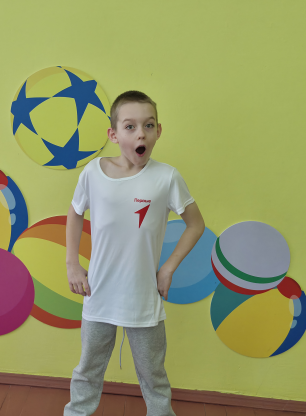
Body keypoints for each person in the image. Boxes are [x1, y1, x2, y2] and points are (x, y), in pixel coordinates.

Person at [64, 90, 205, 416]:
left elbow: (196, 224)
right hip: (98, 293)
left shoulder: (166, 177)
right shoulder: (92, 172)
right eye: (130, 126)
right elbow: (75, 212)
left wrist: (167, 269)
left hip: (143, 296)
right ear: (113, 134)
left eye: (148, 125)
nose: (141, 133)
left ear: (158, 131)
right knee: (87, 371)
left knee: (153, 376)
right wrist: (72, 263)